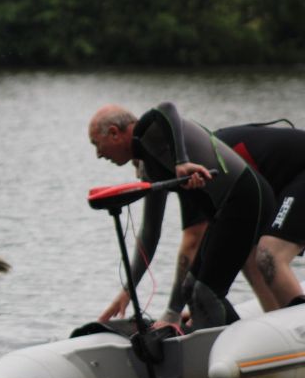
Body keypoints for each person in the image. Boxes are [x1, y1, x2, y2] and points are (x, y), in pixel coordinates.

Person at [88, 103, 274, 331]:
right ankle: (238, 337)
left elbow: (166, 109)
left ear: (115, 133)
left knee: (205, 293)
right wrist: (128, 290)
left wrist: (181, 161)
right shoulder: (150, 166)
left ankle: (221, 353)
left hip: (246, 197)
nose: (98, 154)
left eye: (97, 144)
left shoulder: (150, 130)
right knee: (189, 289)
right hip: (225, 212)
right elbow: (150, 232)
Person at [208, 123, 305, 309]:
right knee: (249, 255)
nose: (139, 175)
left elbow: (194, 242)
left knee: (270, 255)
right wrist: (199, 305)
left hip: (299, 175)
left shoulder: (202, 165)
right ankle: (275, 319)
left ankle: (298, 327)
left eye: (139, 164)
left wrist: (175, 310)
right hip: (290, 182)